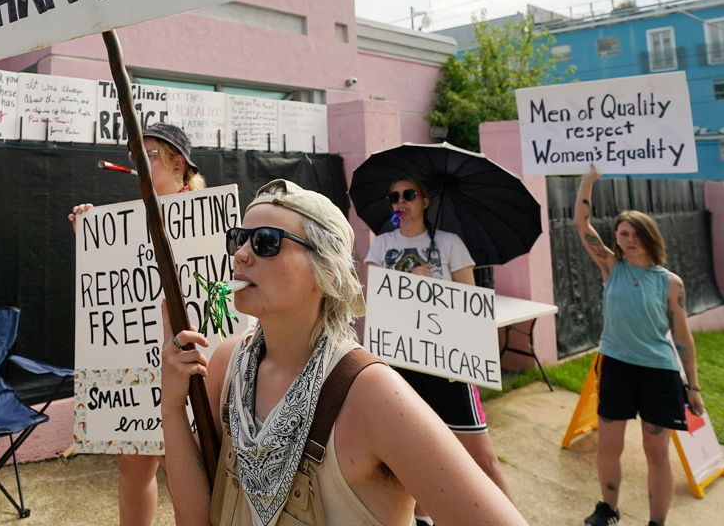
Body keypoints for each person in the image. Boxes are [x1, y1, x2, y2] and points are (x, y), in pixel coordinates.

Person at [161, 179, 525, 526]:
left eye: (266, 241)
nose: (240, 255)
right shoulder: (227, 364)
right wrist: (173, 408)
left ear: (328, 273)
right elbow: (195, 518)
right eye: (239, 238)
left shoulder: (370, 393)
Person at [69, 122, 207, 526]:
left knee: (185, 474)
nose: (136, 163)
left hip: (186, 361)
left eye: (147, 156)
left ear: (178, 163)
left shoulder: (203, 219)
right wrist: (92, 236)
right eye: (136, 156)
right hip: (136, 360)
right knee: (133, 468)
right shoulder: (130, 221)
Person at [364, 178, 515, 525]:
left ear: (426, 200)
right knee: (412, 455)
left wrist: (435, 286)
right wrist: (408, 280)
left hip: (448, 364)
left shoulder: (449, 244)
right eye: (394, 197)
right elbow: (374, 294)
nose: (400, 202)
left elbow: (470, 301)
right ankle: (424, 520)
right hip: (401, 361)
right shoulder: (382, 245)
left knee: (480, 456)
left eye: (409, 195)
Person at [575, 166, 705, 526]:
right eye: (622, 234)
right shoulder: (612, 267)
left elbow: (682, 338)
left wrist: (693, 386)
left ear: (649, 237)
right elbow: (583, 227)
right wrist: (588, 181)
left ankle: (656, 522)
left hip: (659, 373)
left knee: (656, 453)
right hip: (616, 367)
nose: (628, 240)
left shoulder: (670, 283)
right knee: (608, 446)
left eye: (634, 234)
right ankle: (608, 508)